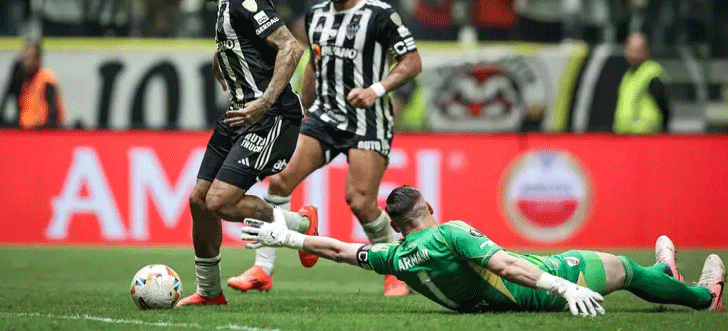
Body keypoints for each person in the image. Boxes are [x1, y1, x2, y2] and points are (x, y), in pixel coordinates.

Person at [228, 0, 422, 297]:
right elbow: (315, 66)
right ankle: (262, 269)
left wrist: (376, 89)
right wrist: (301, 109)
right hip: (323, 116)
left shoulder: (380, 14)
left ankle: (395, 269)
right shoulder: (316, 16)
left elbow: (411, 62)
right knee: (280, 181)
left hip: (367, 119)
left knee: (360, 201)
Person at [241, 186, 725, 315]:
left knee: (635, 272)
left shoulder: (394, 258)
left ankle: (666, 273)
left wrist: (283, 237)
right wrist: (560, 284)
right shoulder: (450, 231)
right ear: (427, 206)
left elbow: (342, 250)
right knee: (624, 269)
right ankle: (703, 296)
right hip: (547, 281)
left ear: (394, 224)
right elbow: (509, 265)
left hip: (508, 294)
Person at [175, 0, 311, 307]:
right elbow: (246, 44)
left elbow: (290, 47)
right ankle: (209, 293)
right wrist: (223, 59)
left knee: (220, 201)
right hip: (238, 114)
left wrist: (264, 100)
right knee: (199, 201)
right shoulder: (223, 6)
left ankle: (297, 225)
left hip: (270, 116)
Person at [613, 32, 670, 133]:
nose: (633, 55)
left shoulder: (652, 72)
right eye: (630, 50)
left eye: (637, 51)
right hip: (624, 135)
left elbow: (663, 105)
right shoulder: (628, 74)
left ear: (647, 51)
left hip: (646, 135)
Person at [17, 40, 65, 129]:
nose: (25, 61)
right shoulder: (24, 79)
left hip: (42, 130)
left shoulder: (46, 78)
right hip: (26, 130)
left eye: (29, 58)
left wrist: (47, 128)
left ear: (37, 59)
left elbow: (53, 111)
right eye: (24, 58)